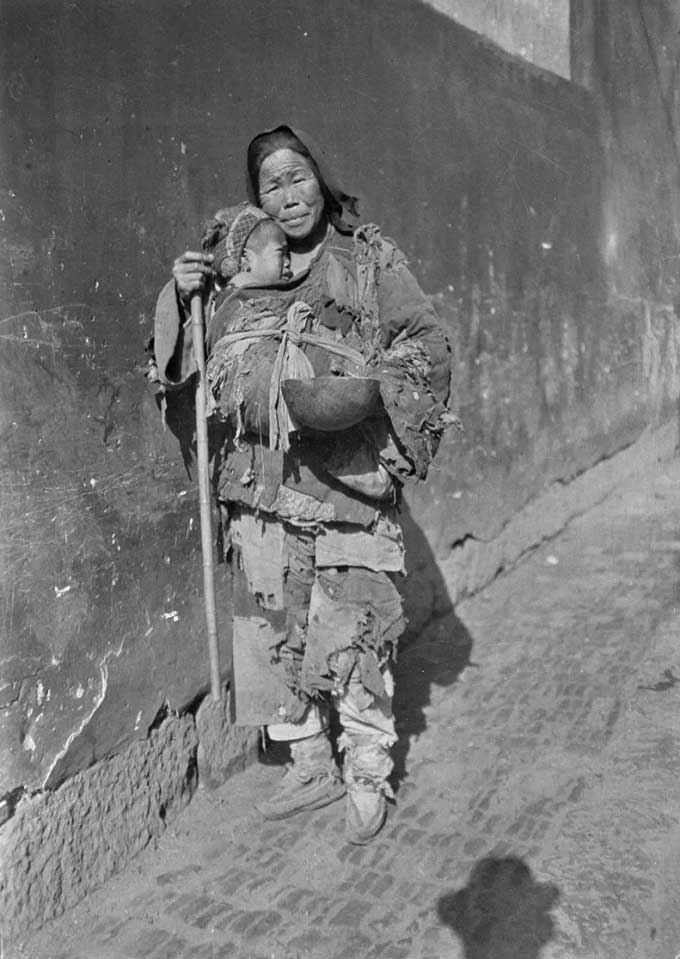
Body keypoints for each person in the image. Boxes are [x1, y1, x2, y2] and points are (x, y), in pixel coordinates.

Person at [152, 124, 451, 844]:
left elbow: (427, 343)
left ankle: (368, 768)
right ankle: (309, 760)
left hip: (348, 476)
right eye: (271, 185)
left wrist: (368, 391)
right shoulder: (243, 267)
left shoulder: (366, 258)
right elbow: (198, 365)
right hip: (262, 481)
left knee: (351, 627)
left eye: (298, 177)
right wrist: (182, 291)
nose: (289, 198)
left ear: (322, 175)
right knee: (272, 625)